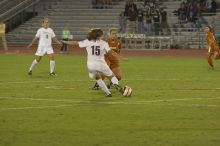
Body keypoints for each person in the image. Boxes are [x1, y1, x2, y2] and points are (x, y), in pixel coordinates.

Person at [62, 28, 124, 97]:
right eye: (101, 35)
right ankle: (116, 85)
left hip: (91, 65)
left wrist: (65, 42)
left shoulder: (87, 41)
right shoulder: (104, 43)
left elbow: (75, 43)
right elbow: (111, 52)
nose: (102, 36)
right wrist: (120, 57)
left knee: (97, 78)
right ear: (99, 36)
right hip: (101, 64)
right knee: (111, 76)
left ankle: (108, 93)